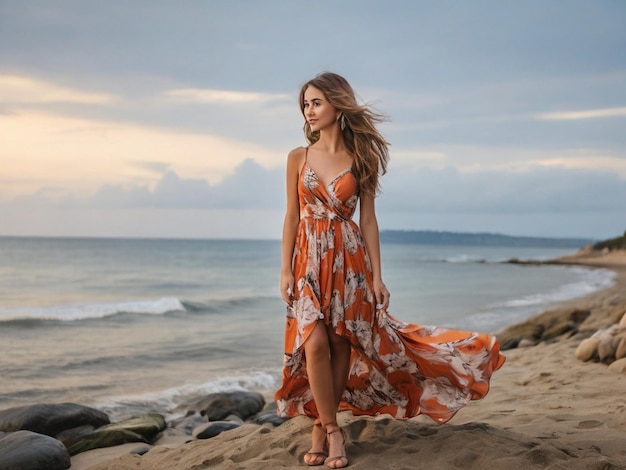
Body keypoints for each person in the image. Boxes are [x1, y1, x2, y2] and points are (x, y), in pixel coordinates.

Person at [275, 72, 505, 468]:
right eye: (306, 104)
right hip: (308, 262)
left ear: (337, 105)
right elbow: (292, 216)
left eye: (316, 102)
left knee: (341, 342)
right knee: (312, 344)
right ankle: (331, 429)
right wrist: (283, 270)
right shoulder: (298, 157)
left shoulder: (360, 158)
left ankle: (321, 423)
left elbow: (367, 222)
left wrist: (377, 277)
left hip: (350, 264)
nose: (309, 111)